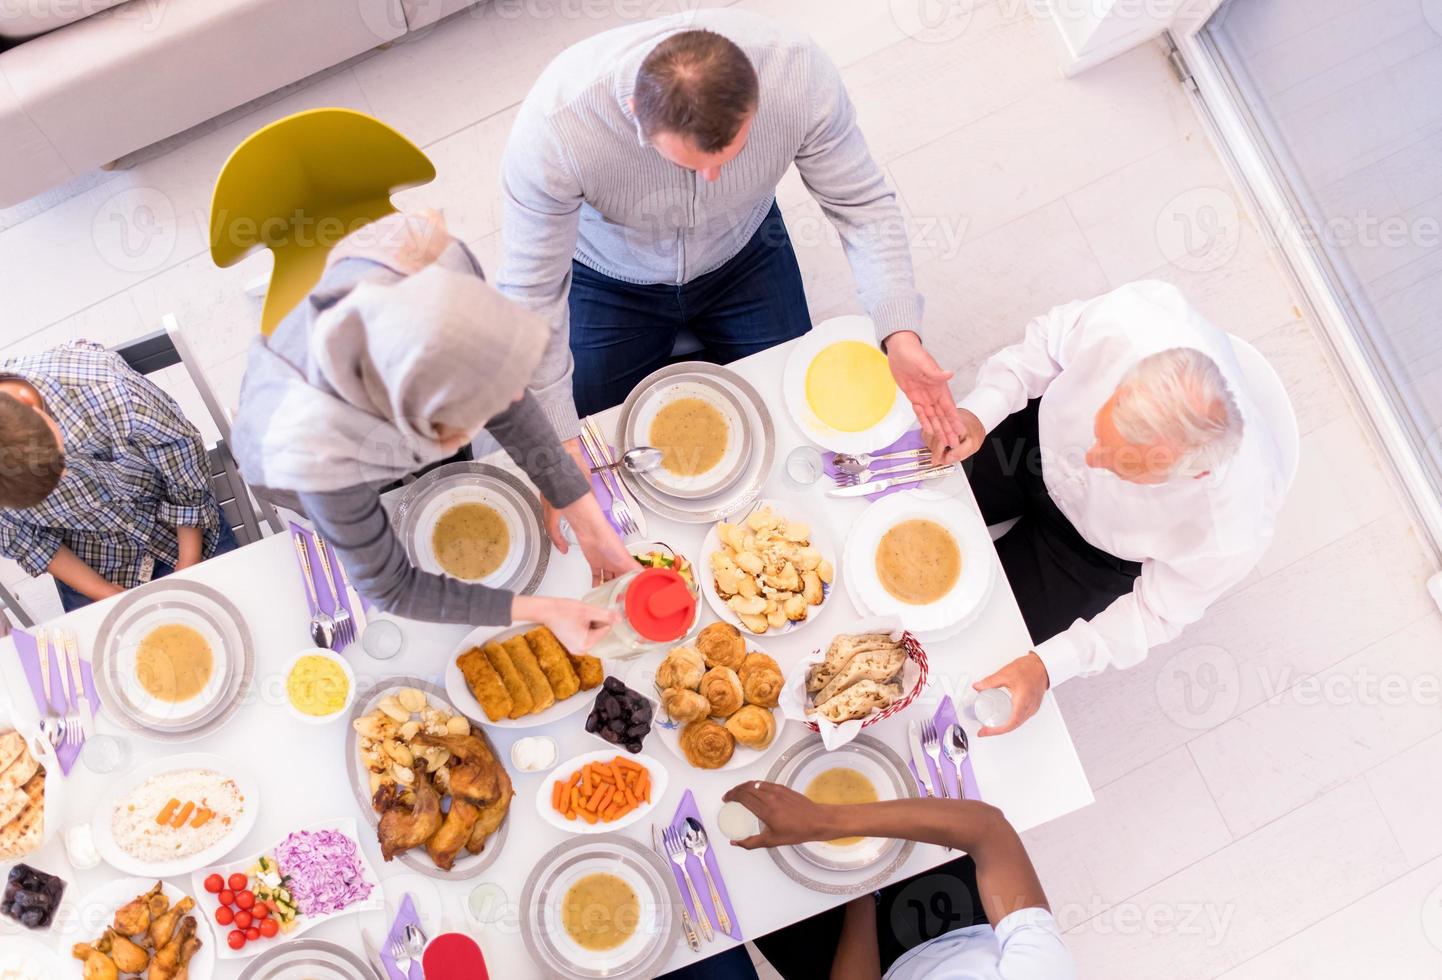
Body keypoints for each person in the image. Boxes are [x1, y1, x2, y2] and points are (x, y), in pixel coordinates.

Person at [497, 9, 967, 546]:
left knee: (797, 421)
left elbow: (861, 204)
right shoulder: (557, 128)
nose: (712, 181)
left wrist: (899, 328)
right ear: (634, 113)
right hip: (607, 277)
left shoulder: (796, 73)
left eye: (730, 154)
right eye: (691, 164)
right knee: (590, 437)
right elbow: (530, 295)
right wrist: (557, 437)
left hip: (745, 254)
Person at [232, 212, 635, 652]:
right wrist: (542, 610)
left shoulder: (439, 264)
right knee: (353, 529)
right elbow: (392, 586)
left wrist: (590, 523)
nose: (494, 414)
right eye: (465, 425)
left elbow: (504, 395)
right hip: (289, 454)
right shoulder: (316, 453)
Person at [948, 281, 1287, 735]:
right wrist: (981, 411)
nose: (1091, 458)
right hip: (1030, 447)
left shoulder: (1230, 529)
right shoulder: (1134, 322)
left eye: (1119, 463)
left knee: (971, 643)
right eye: (1100, 432)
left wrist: (1047, 667)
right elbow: (1048, 345)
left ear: (1193, 473)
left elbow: (1156, 612)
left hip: (1091, 559)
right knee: (908, 500)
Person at [684, 781, 1075, 979]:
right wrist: (826, 823)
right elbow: (989, 830)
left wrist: (860, 891)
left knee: (737, 872)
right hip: (959, 923)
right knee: (884, 774)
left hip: (866, 965)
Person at [0, 340, 237, 612]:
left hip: (180, 527)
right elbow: (21, 539)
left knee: (233, 611)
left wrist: (189, 561)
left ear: (31, 404)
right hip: (94, 562)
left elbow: (183, 457)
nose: (65, 477)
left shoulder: (106, 386)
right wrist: (106, 592)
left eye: (59, 461)